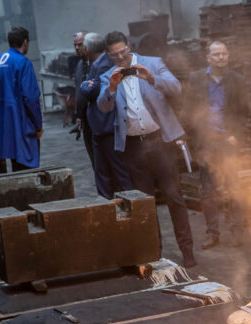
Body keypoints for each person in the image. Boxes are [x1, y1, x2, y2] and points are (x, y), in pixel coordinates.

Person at [97, 31, 195, 267]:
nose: (121, 58)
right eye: (115, 55)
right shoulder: (108, 76)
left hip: (160, 142)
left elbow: (175, 88)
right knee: (145, 204)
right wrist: (111, 88)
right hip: (133, 148)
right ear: (109, 56)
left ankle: (187, 251)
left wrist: (152, 78)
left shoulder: (153, 63)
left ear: (129, 46)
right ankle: (155, 254)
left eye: (124, 52)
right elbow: (103, 107)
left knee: (174, 196)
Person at [183, 41, 249, 249]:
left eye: (224, 54)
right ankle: (212, 233)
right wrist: (194, 138)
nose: (221, 57)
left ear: (228, 56)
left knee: (234, 187)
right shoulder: (196, 79)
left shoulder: (237, 81)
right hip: (206, 142)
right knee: (208, 190)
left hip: (228, 142)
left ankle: (237, 231)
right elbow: (188, 110)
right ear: (208, 58)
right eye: (216, 54)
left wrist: (235, 135)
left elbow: (244, 112)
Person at [79, 33, 133, 199]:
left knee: (119, 172)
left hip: (107, 125)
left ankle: (133, 203)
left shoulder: (105, 64)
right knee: (102, 172)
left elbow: (94, 90)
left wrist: (84, 85)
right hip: (99, 127)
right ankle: (107, 205)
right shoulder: (94, 63)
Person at [0, 26, 42, 170]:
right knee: (27, 169)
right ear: (25, 42)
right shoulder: (23, 62)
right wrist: (38, 125)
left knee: (15, 168)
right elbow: (30, 97)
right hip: (22, 125)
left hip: (5, 126)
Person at [73, 30, 94, 166]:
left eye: (80, 44)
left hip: (97, 117)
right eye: (75, 45)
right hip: (86, 119)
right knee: (92, 154)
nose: (77, 48)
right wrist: (79, 115)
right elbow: (78, 91)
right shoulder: (80, 65)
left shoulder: (96, 64)